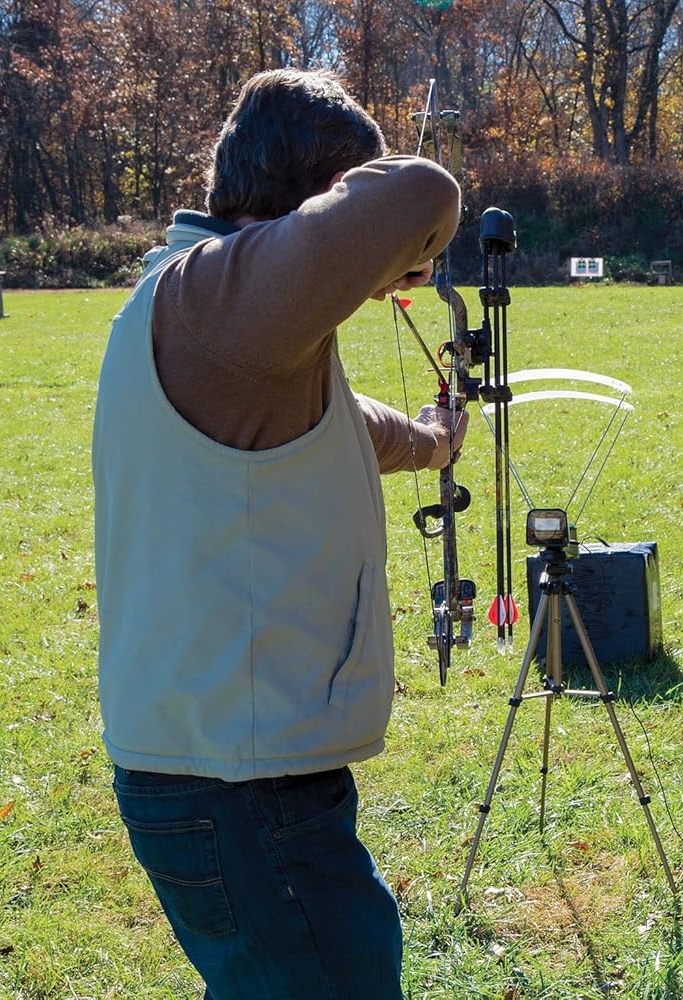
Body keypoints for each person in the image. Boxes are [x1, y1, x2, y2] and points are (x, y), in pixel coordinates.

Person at [91, 68, 464, 999]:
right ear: (319, 207)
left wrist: (428, 442)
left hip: (227, 775)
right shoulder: (220, 301)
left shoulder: (213, 313)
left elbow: (326, 422)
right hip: (236, 791)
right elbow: (423, 191)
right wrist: (384, 252)